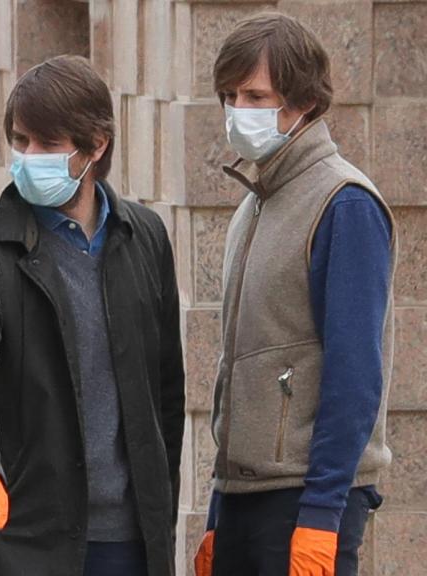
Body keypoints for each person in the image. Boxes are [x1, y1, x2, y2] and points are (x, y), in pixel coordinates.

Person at [0, 54, 185, 576]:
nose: (28, 156)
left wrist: (160, 508)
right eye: (20, 141)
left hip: (128, 542)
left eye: (48, 143)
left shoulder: (144, 237)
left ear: (96, 146)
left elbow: (165, 391)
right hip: (19, 542)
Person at [193, 13, 395, 576]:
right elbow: (238, 375)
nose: (239, 111)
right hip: (244, 500)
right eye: (230, 96)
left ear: (303, 100)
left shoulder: (345, 203)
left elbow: (355, 375)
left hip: (306, 500)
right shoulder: (253, 205)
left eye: (256, 95)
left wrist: (323, 514)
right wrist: (217, 511)